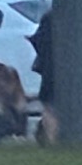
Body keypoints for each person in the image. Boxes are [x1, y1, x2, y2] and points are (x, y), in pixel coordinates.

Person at [29, 8, 56, 144]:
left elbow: (38, 40)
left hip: (50, 71)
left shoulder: (50, 18)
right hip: (63, 72)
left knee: (50, 107)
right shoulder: (79, 17)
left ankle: (50, 139)